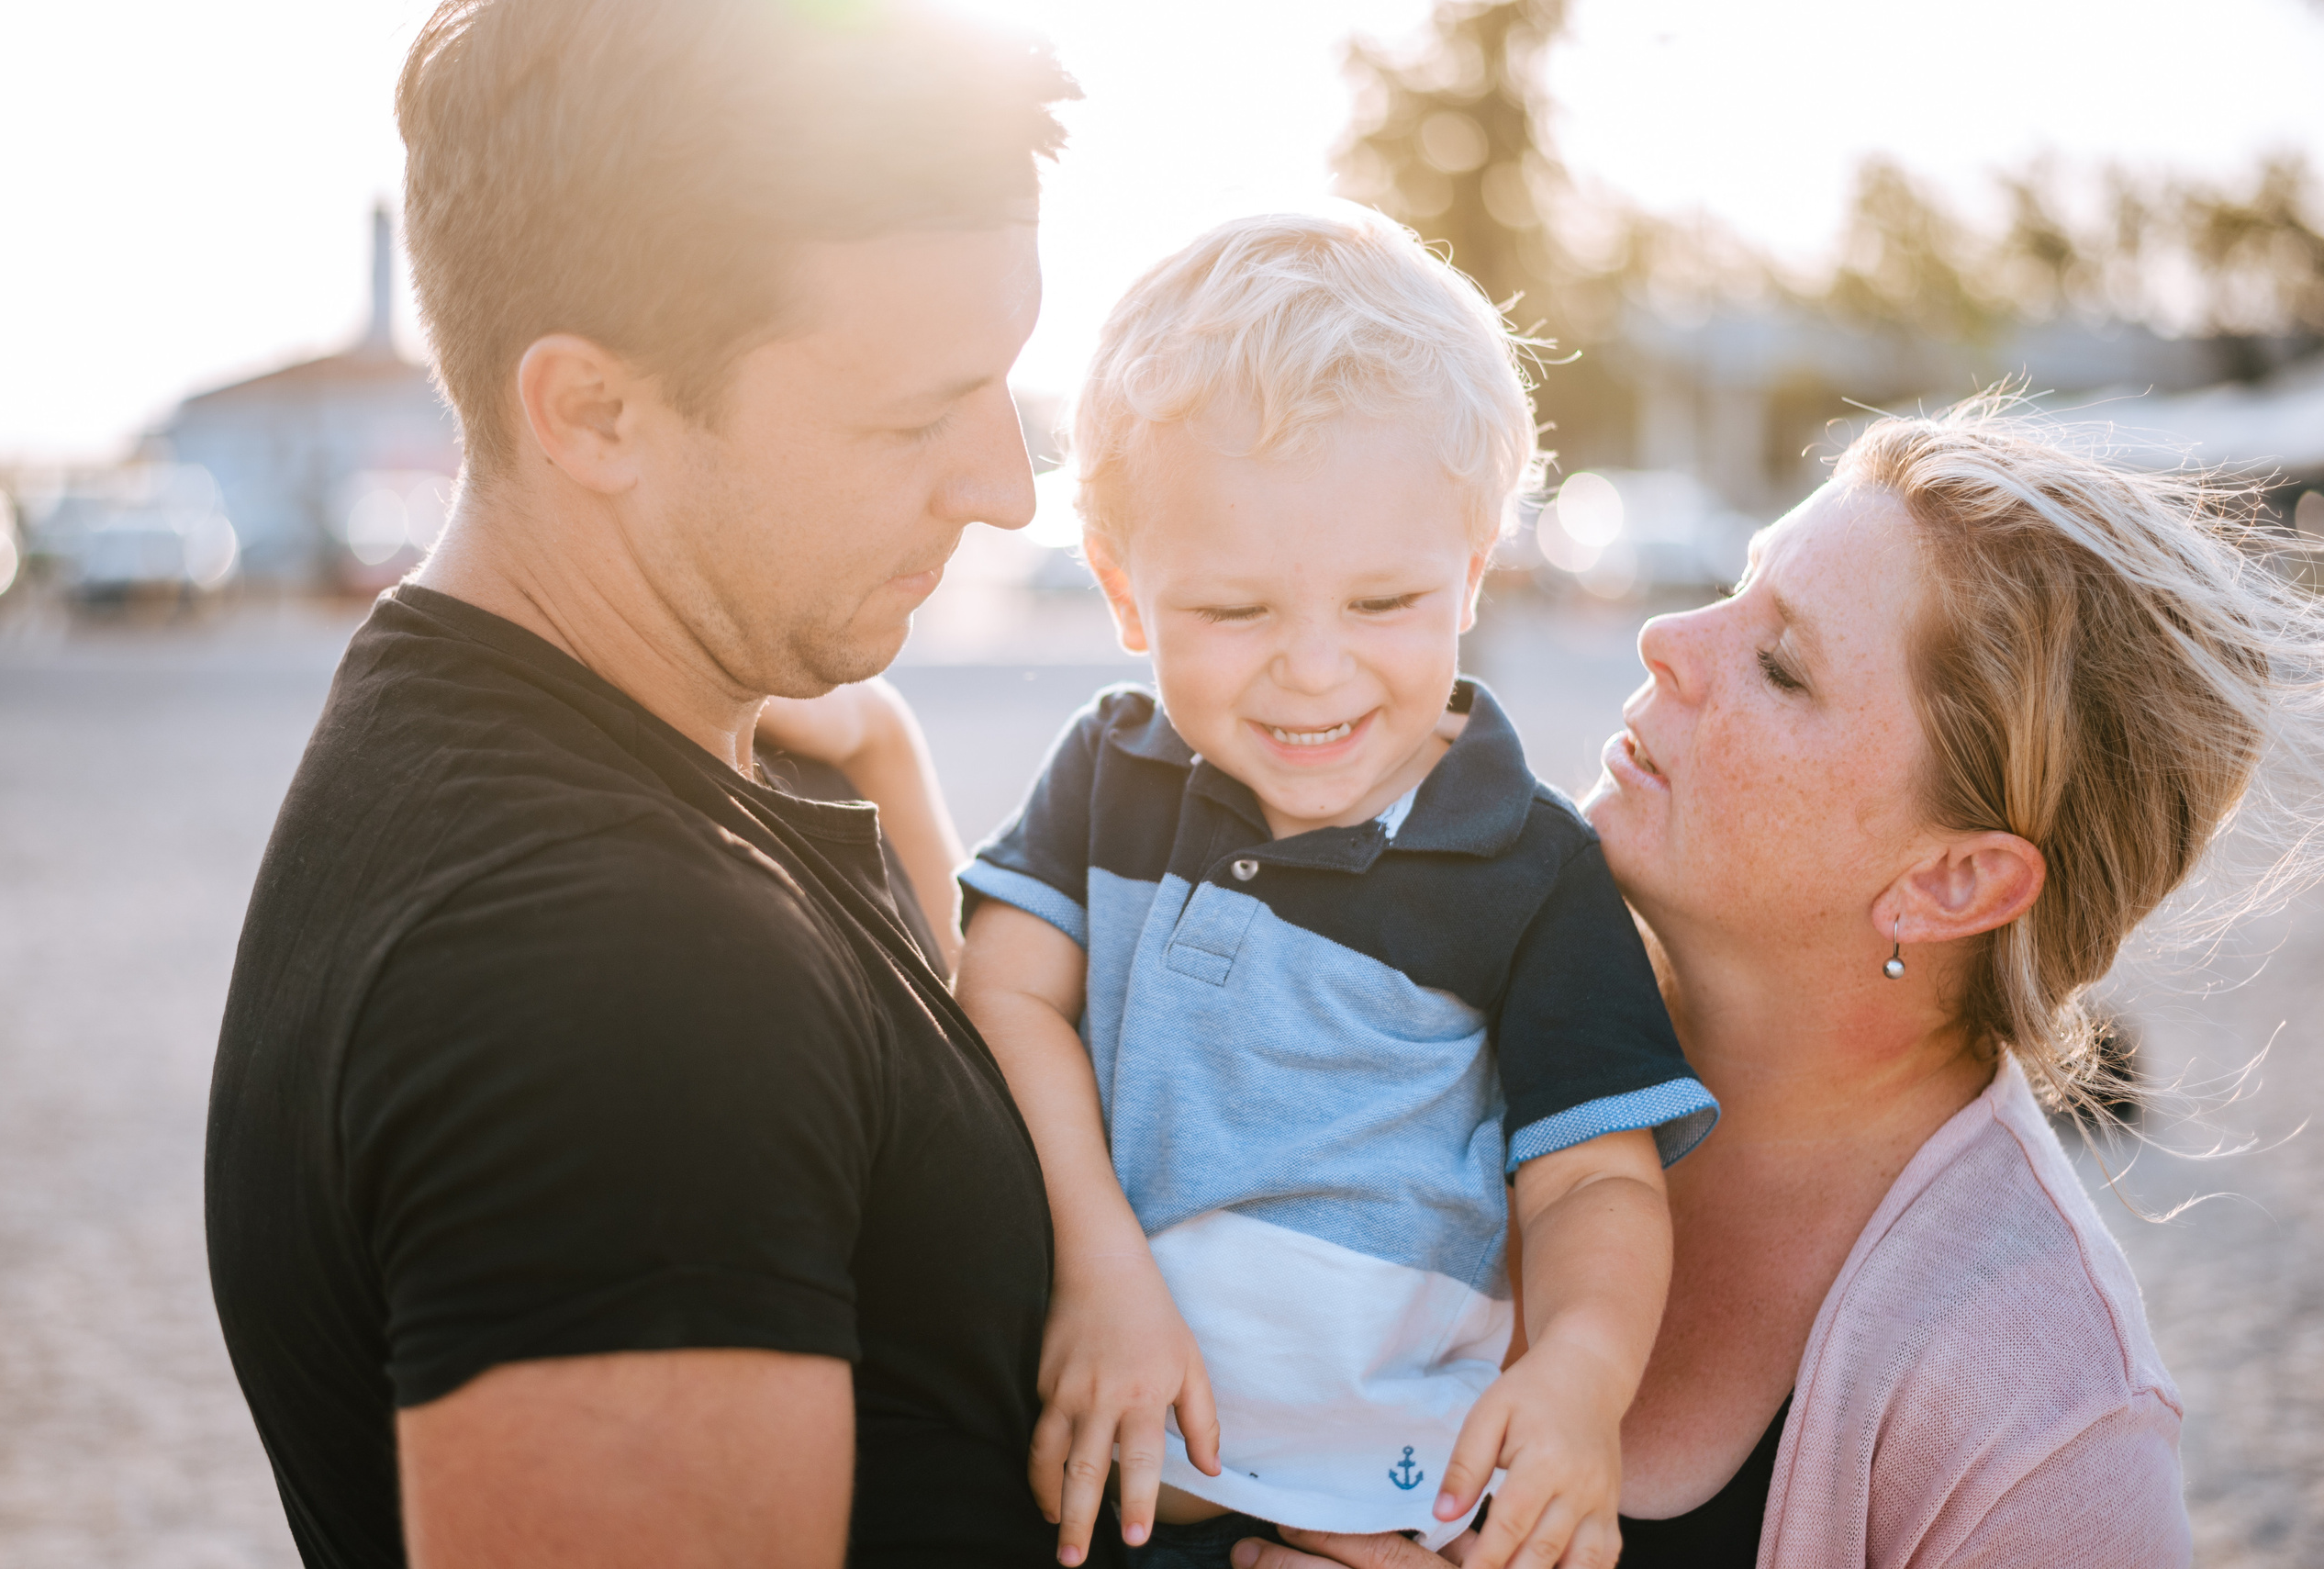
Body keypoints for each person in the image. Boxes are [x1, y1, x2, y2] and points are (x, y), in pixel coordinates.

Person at [202, 2, 1098, 1564]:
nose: (1008, 489)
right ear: (593, 412)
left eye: (1005, 383)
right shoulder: (612, 970)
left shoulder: (618, 739)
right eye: (913, 413)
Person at [1223, 403, 2324, 1569]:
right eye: (1733, 586)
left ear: (1951, 879)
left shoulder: (2055, 1426)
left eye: (1781, 664)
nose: (1666, 636)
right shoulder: (1416, 994)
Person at [953, 211, 1719, 1569]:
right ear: (1125, 594)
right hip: (1095, 1461)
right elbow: (1004, 994)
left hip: (1392, 1510)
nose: (1313, 670)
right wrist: (1098, 1255)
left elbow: (1589, 1183)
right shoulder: (1110, 773)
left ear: (1471, 573)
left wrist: (1583, 1379)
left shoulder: (1530, 867)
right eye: (1234, 610)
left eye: (1381, 604)